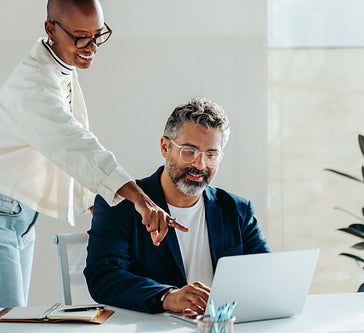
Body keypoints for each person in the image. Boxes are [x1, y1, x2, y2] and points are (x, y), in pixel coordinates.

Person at [0, 0, 186, 308]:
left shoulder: (59, 70)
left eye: (99, 35)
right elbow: (77, 146)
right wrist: (141, 199)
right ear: (50, 29)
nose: (92, 46)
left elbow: (68, 151)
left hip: (15, 214)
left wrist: (98, 211)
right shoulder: (34, 86)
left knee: (12, 321)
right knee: (5, 328)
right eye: (81, 37)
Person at [84, 97, 272, 315]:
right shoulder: (121, 204)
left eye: (211, 154)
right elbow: (104, 277)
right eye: (189, 150)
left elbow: (266, 274)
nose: (200, 164)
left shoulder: (238, 210)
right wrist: (166, 297)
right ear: (165, 146)